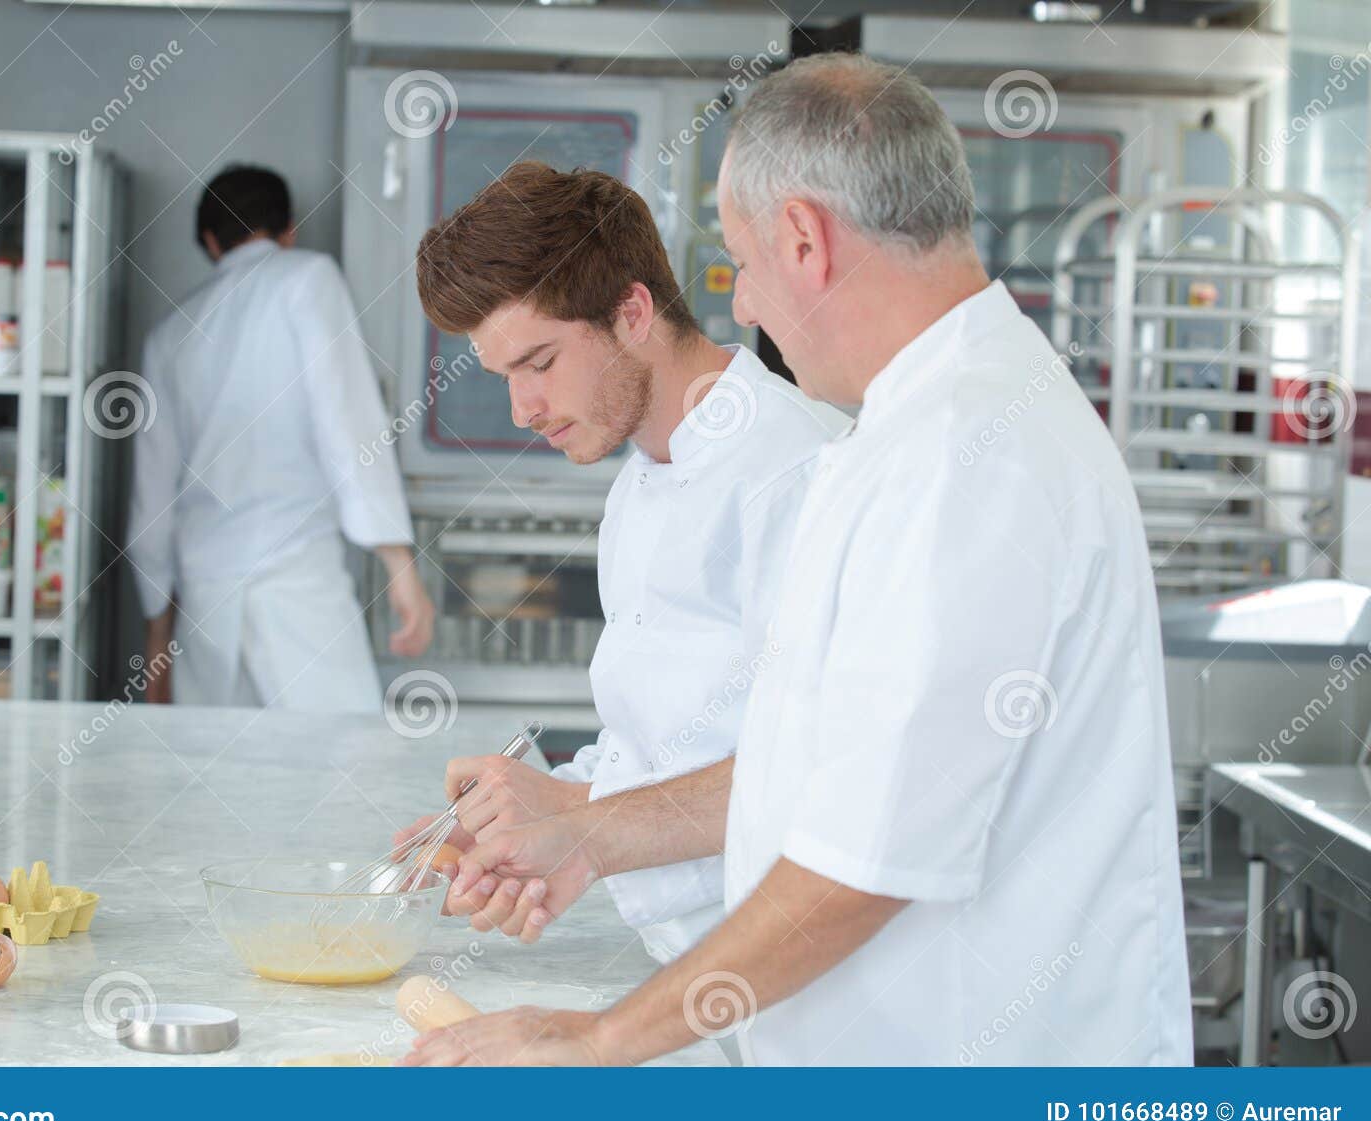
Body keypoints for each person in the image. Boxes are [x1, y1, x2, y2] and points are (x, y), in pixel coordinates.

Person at [404, 54, 1193, 1067]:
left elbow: (865, 858)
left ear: (804, 240)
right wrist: (583, 830)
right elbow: (811, 764)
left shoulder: (961, 458)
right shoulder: (926, 428)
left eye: (740, 264)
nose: (740, 310)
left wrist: (599, 1034)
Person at [399, 162, 848, 991]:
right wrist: (537, 808)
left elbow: (827, 769)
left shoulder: (794, 470)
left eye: (539, 362)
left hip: (801, 977)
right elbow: (659, 744)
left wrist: (584, 828)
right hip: (688, 969)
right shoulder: (638, 485)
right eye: (505, 377)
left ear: (632, 312)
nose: (522, 408)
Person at [128, 165, 433, 710]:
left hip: (205, 597)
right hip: (298, 581)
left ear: (210, 241)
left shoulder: (168, 336)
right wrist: (399, 568)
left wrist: (156, 636)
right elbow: (348, 420)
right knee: (339, 772)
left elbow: (151, 499)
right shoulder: (308, 278)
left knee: (215, 781)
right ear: (288, 230)